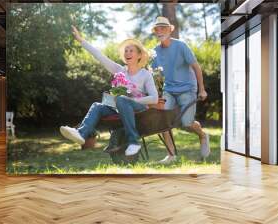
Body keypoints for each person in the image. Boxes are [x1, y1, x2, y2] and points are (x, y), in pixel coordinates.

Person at [59, 26, 158, 156]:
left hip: (138, 108)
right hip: (120, 106)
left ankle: (134, 142)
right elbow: (99, 56)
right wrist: (81, 40)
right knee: (97, 106)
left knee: (122, 99)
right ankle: (81, 134)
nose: (127, 53)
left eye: (131, 50)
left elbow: (154, 98)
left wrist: (132, 100)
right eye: (126, 51)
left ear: (139, 55)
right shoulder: (120, 70)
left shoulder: (145, 74)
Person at [151, 17, 210, 164]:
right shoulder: (154, 52)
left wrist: (201, 89)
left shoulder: (181, 46)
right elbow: (155, 75)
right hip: (169, 89)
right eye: (157, 29)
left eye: (163, 28)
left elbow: (196, 67)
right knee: (163, 121)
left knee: (187, 122)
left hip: (187, 88)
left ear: (170, 30)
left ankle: (203, 135)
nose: (160, 31)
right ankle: (171, 155)